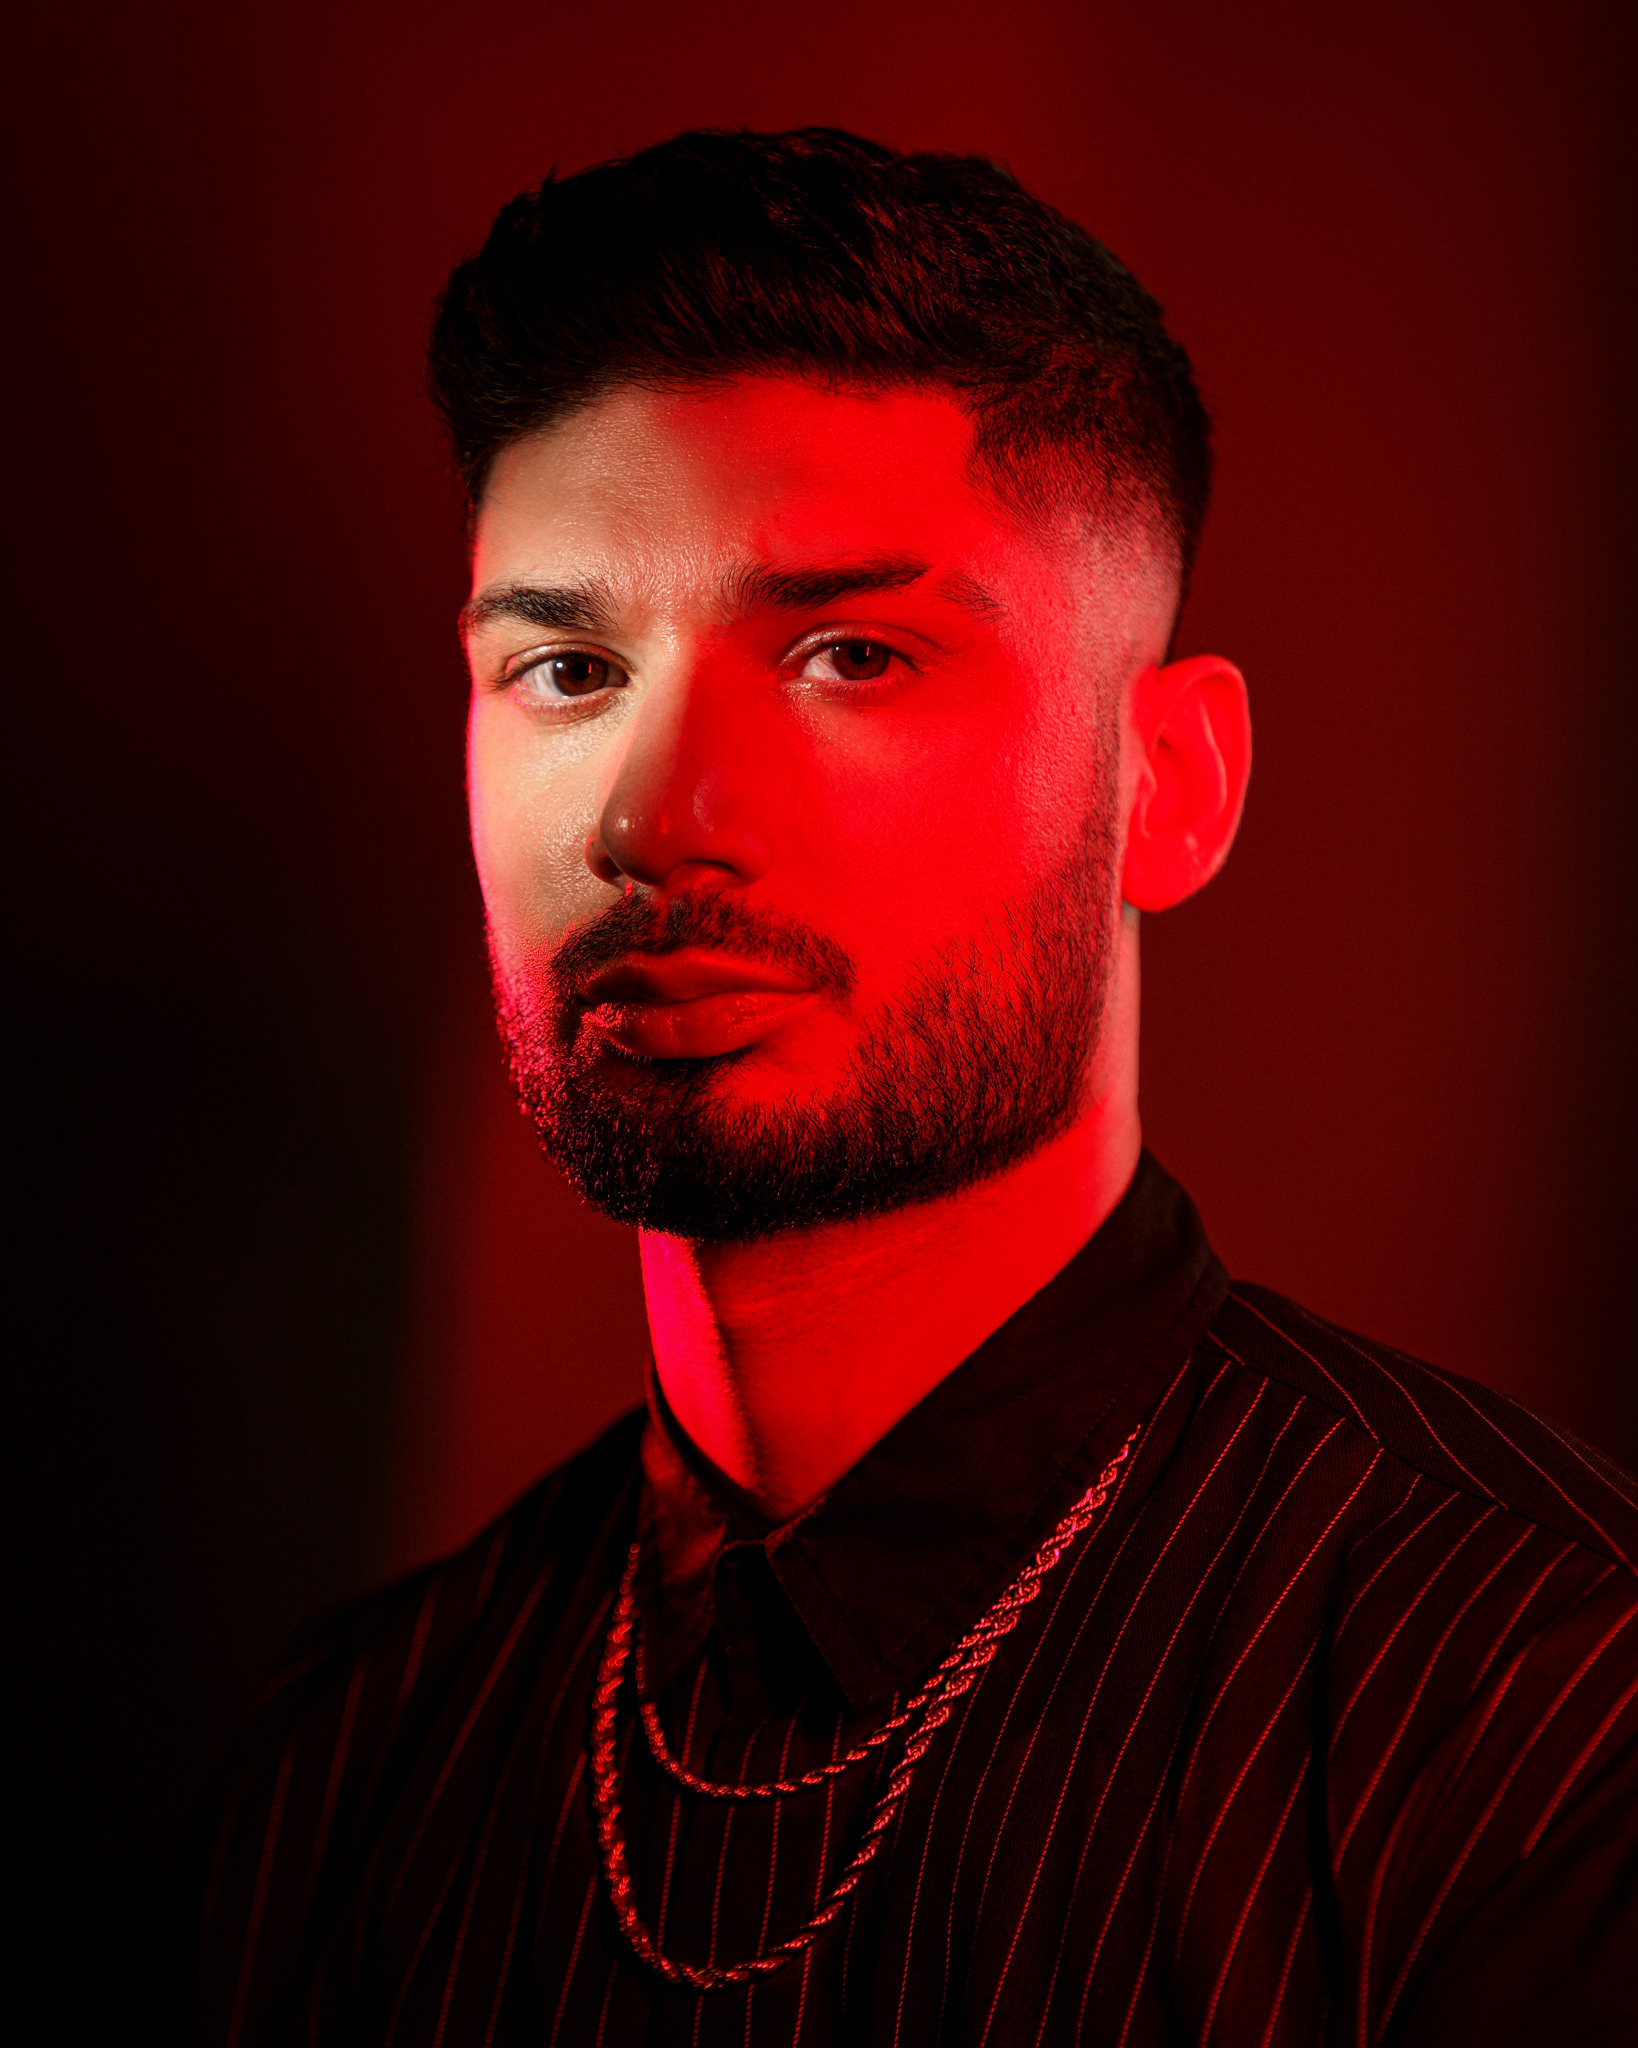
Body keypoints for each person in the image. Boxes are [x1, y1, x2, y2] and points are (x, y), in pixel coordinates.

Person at [151, 128, 1637, 2046]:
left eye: (848, 655)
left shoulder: (1542, 1712)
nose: (655, 818)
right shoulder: (347, 1769)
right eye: (569, 670)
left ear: (1168, 786)